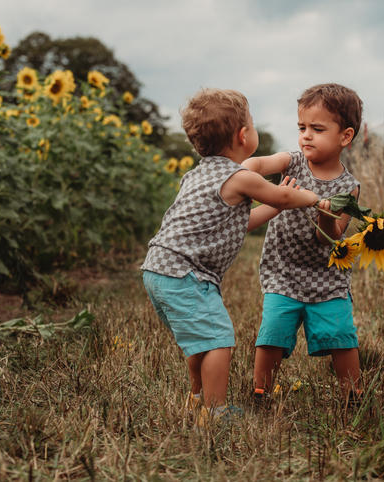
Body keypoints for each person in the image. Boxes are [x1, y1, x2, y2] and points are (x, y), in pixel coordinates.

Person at [140, 88, 318, 428]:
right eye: (251, 123)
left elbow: (240, 223)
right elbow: (281, 194)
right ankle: (215, 411)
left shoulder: (198, 174)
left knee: (199, 342)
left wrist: (280, 202)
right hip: (185, 273)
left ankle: (197, 401)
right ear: (243, 134)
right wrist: (308, 197)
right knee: (219, 339)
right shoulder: (239, 176)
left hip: (159, 270)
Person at [242, 83, 364, 407]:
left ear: (345, 136)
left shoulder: (348, 187)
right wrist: (246, 175)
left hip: (327, 276)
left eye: (317, 129)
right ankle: (261, 392)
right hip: (284, 270)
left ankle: (353, 394)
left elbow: (332, 237)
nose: (306, 135)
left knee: (341, 335)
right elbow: (257, 165)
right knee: (273, 331)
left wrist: (325, 215)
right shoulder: (292, 162)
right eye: (302, 127)